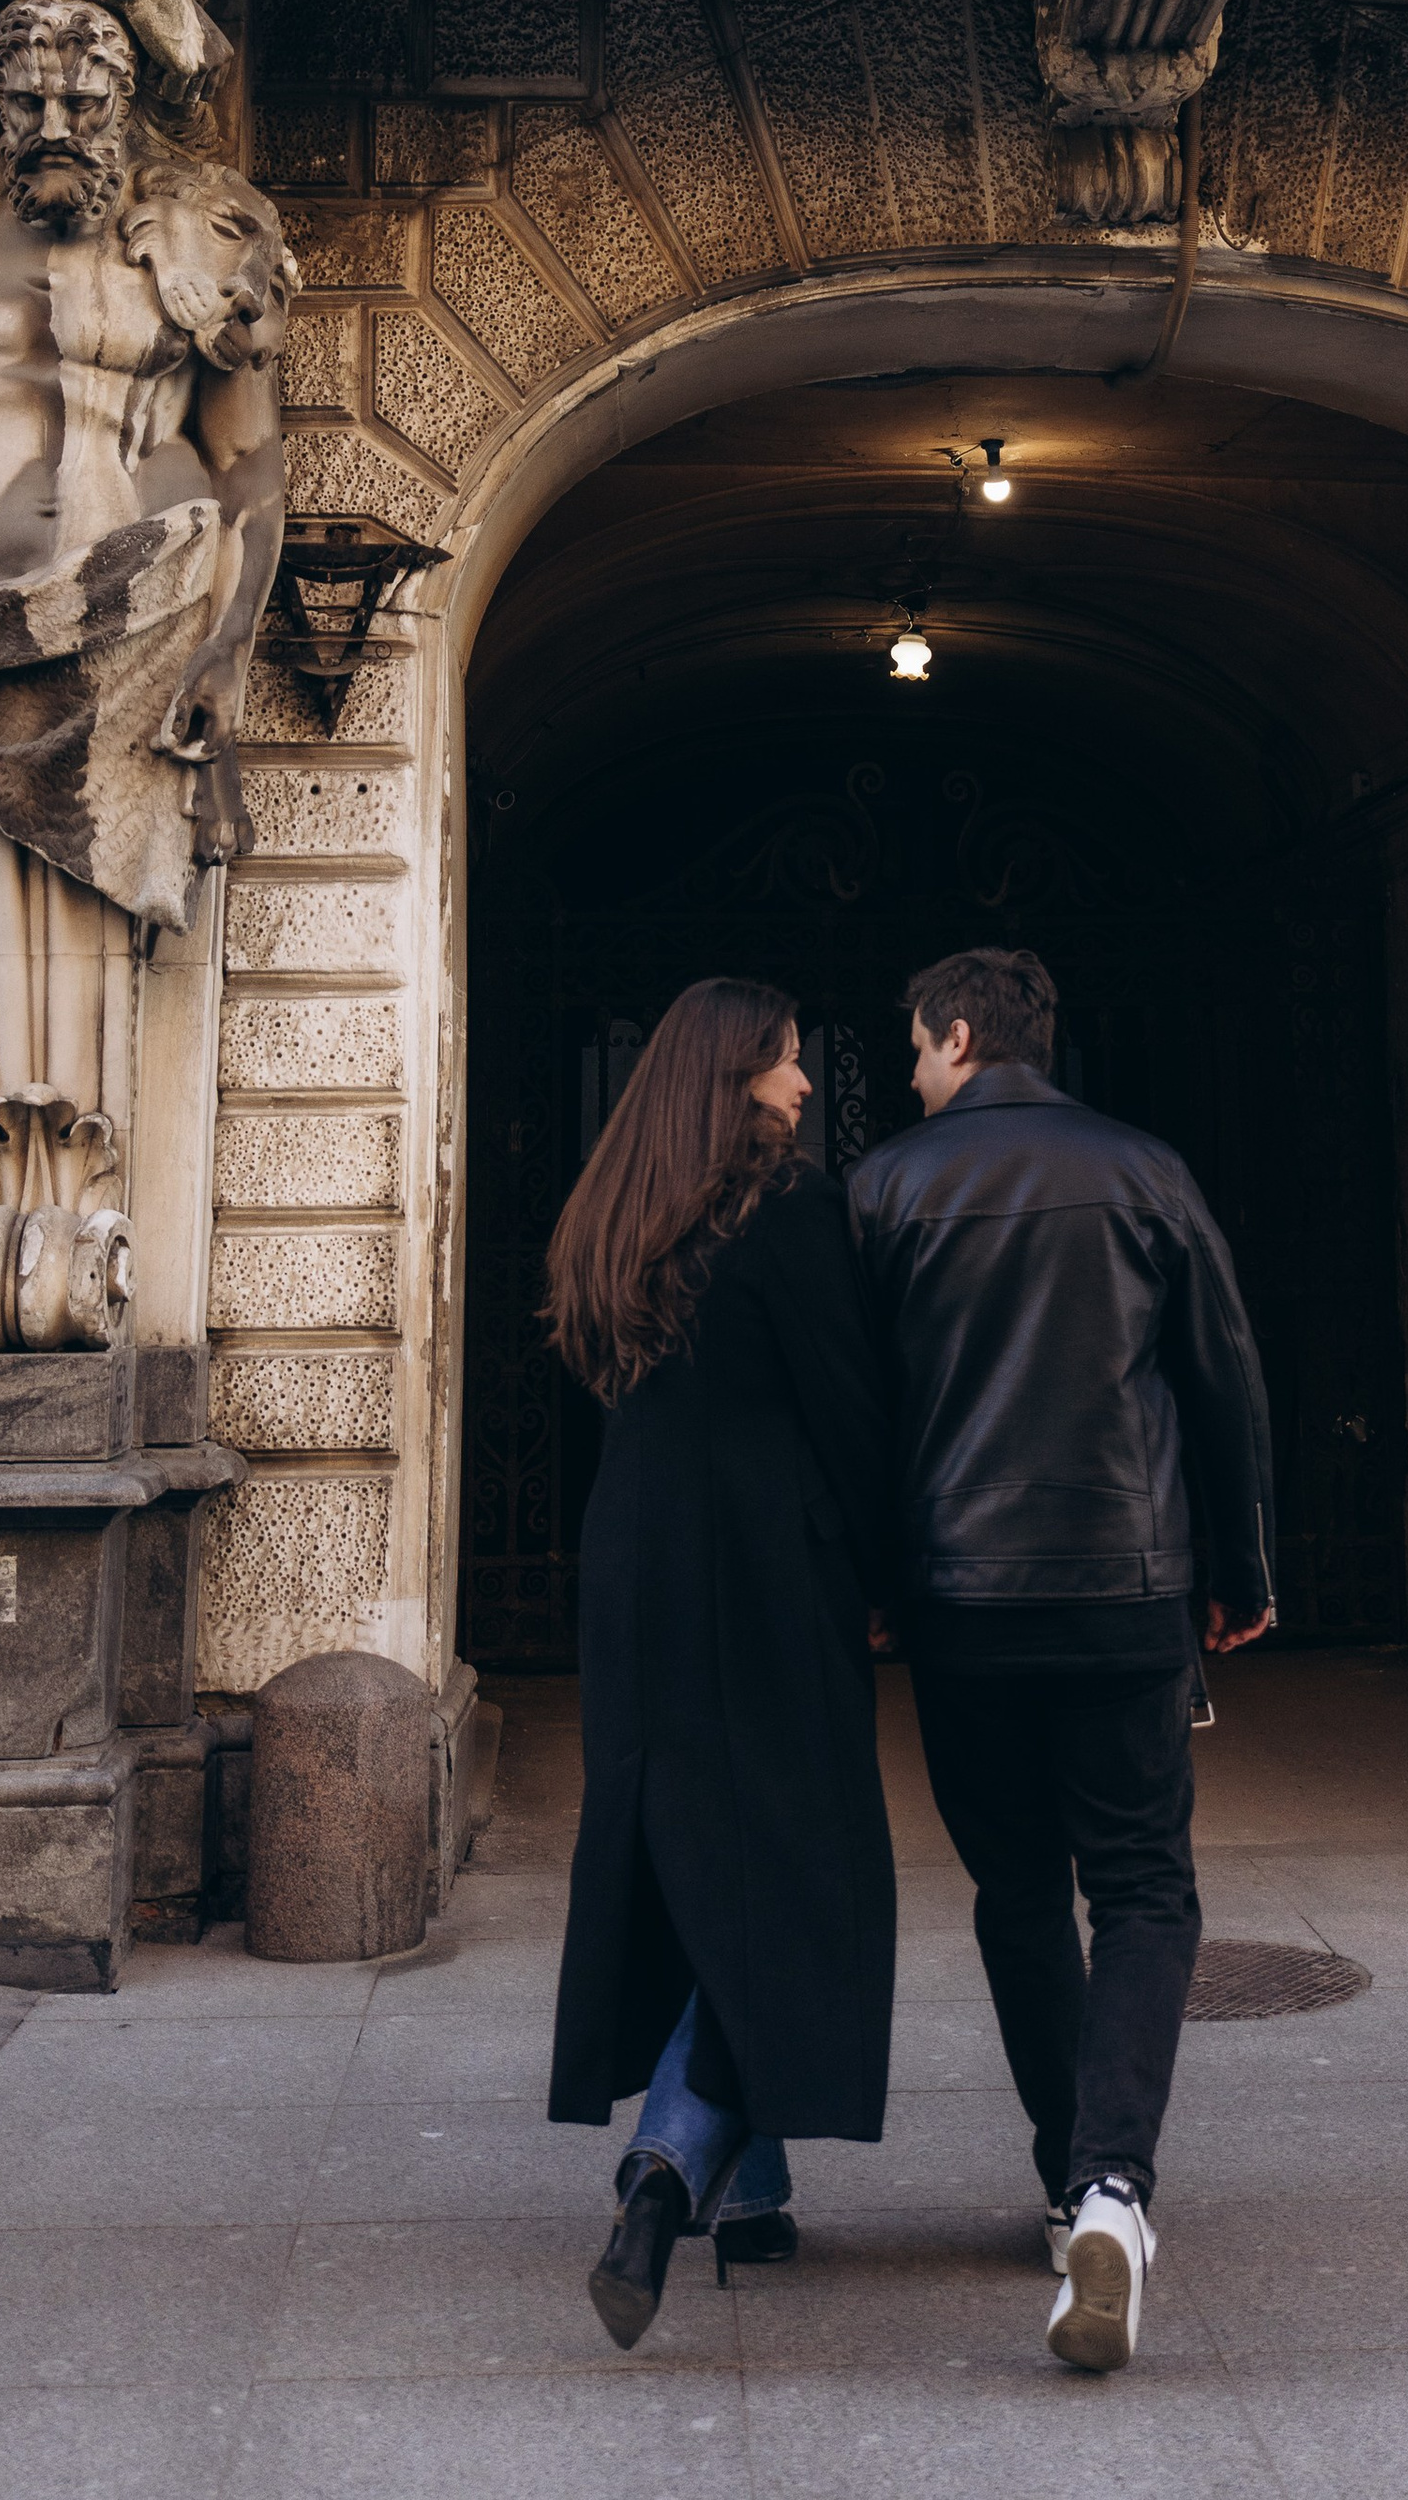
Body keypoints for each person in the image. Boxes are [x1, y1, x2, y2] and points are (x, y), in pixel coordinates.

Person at [847, 945, 1275, 2375]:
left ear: (963, 1034)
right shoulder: (1145, 1170)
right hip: (1123, 1586)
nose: (913, 1072)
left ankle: (1061, 2181)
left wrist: (879, 1586)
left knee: (1018, 1889)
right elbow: (1222, 1381)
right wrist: (1240, 1573)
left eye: (917, 1047)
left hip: (961, 1599)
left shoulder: (884, 1187)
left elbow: (863, 1413)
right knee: (1144, 1887)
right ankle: (1110, 2188)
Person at [544, 979, 898, 2348]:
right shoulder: (789, 1213)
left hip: (637, 1566)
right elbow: (848, 1410)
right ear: (735, 1072)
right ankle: (669, 2165)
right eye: (787, 1062)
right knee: (798, 1872)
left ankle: (752, 2189)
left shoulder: (613, 1212)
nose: (803, 1085)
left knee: (696, 1856)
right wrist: (889, 1574)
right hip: (766, 1571)